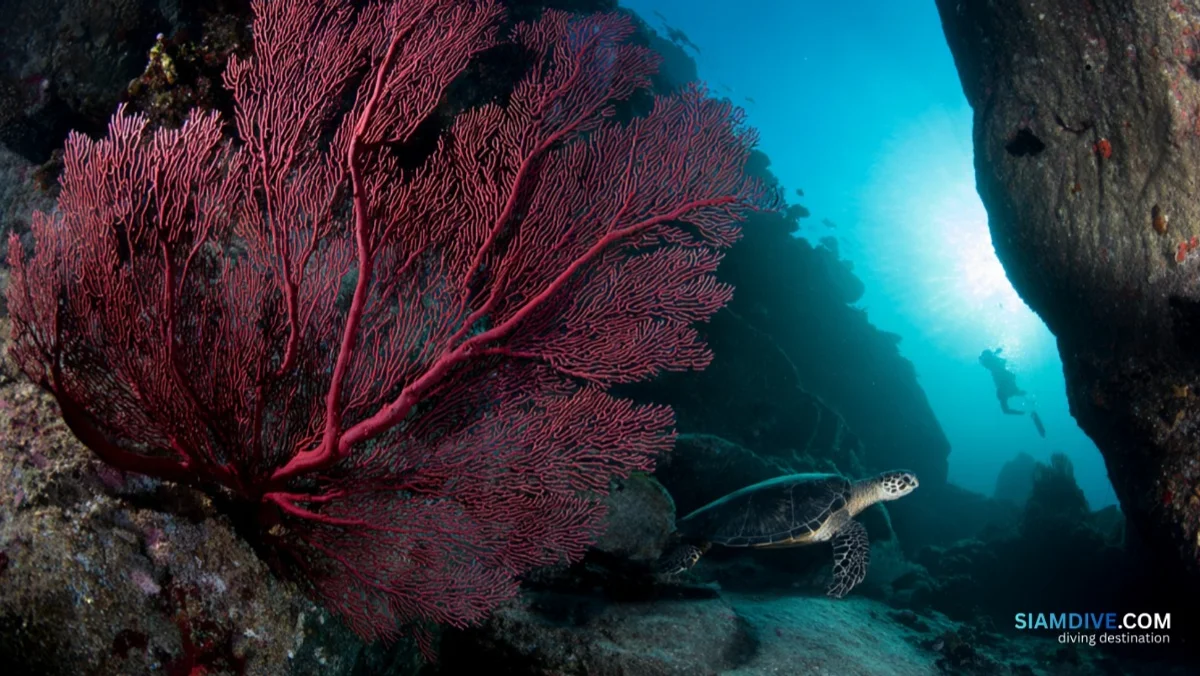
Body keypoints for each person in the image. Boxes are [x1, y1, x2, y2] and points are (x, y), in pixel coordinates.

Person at [979, 347, 1026, 415]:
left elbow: (1006, 410)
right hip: (1006, 380)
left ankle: (1025, 404)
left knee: (1015, 392)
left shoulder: (992, 362)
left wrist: (1020, 413)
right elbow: (1006, 410)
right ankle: (1026, 404)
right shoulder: (992, 362)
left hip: (1005, 380)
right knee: (1016, 392)